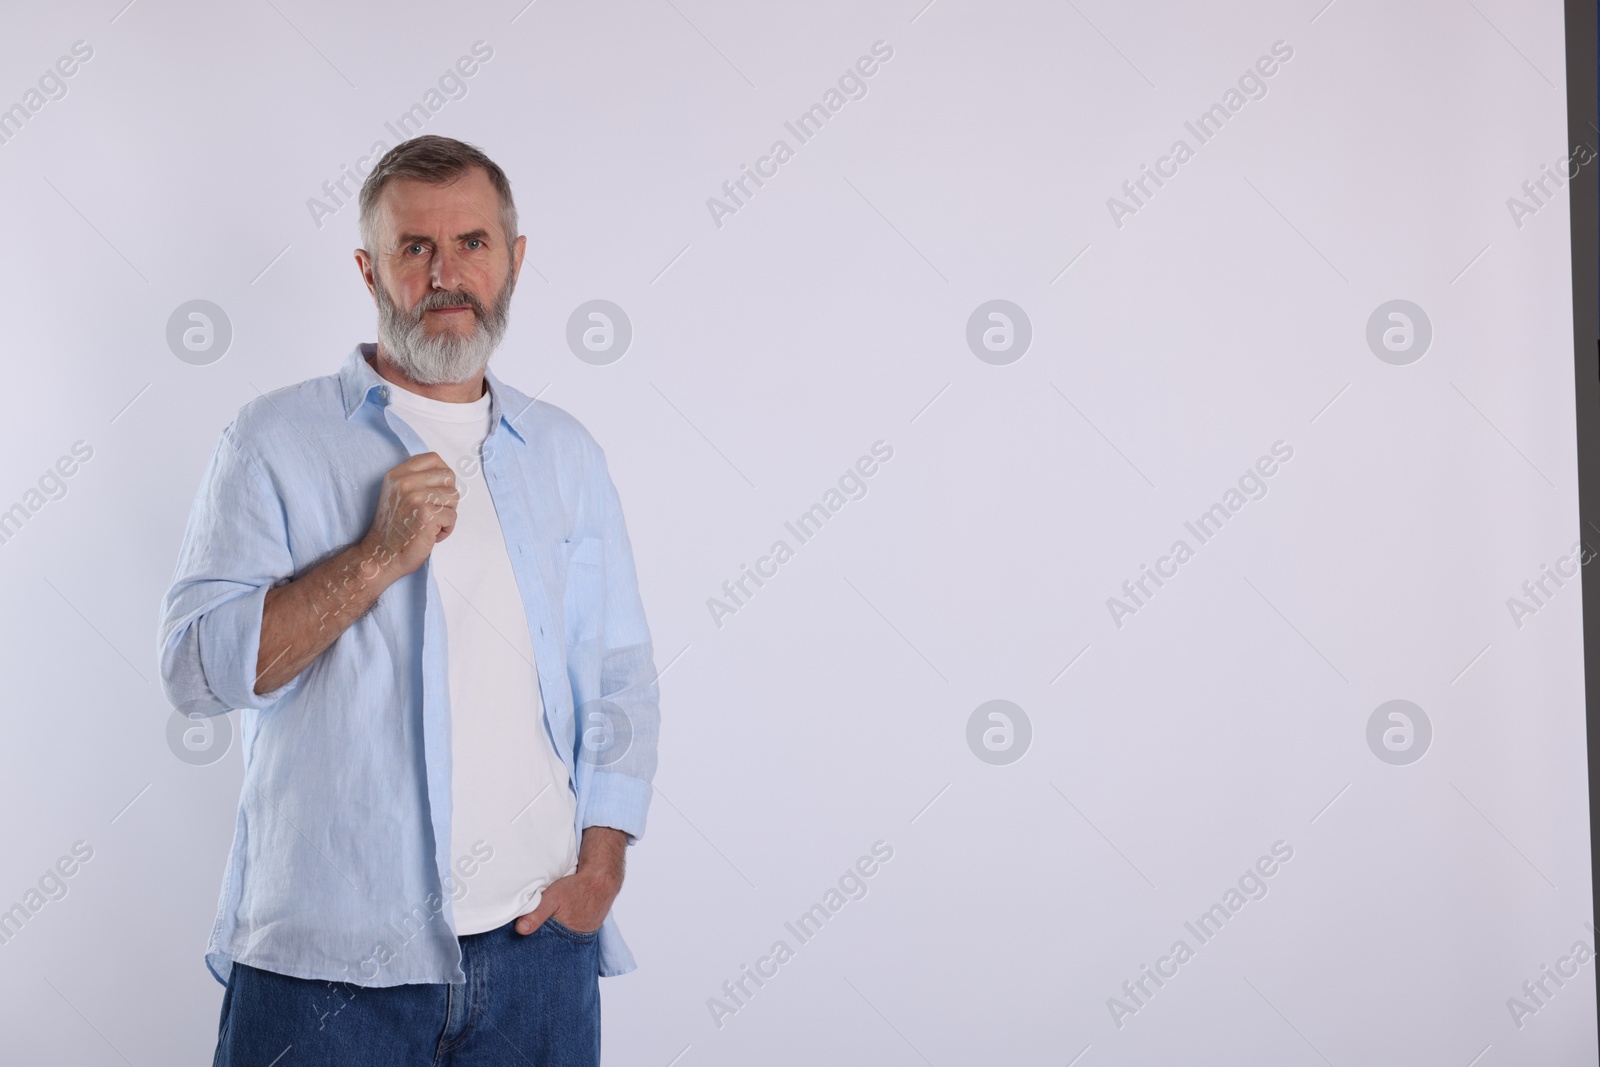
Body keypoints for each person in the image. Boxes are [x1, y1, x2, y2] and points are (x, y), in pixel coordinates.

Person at [157, 135, 660, 1066]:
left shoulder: (564, 453)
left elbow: (618, 676)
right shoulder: (272, 439)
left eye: (472, 242)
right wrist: (374, 558)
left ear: (514, 257)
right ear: (368, 268)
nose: (447, 273)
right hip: (323, 967)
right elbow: (195, 673)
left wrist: (602, 866)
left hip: (535, 951)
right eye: (414, 248)